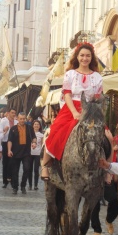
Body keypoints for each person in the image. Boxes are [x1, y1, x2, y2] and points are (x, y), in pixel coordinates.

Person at [41, 42, 103, 180]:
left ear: (92, 57)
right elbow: (67, 94)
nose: (85, 58)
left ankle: (107, 172)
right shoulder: (70, 74)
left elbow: (98, 98)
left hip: (90, 110)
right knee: (55, 132)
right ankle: (46, 165)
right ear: (77, 57)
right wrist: (75, 112)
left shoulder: (98, 77)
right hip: (71, 108)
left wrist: (92, 111)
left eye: (88, 56)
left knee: (107, 137)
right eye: (82, 55)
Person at [91, 127, 118, 235]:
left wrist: (110, 140)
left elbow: (110, 152)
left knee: (115, 203)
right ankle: (96, 228)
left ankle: (109, 220)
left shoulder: (105, 130)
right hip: (91, 174)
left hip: (104, 171)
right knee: (94, 203)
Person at [7, 112, 37, 195]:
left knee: (27, 169)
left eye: (24, 119)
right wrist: (9, 150)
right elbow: (10, 140)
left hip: (26, 153)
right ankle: (15, 187)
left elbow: (34, 138)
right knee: (15, 171)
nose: (22, 120)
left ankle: (23, 185)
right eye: (21, 119)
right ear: (18, 119)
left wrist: (34, 143)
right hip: (15, 153)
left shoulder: (29, 128)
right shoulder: (13, 129)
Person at [0, 108, 17, 188]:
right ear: (8, 113)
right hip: (5, 142)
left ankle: (13, 180)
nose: (13, 114)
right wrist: (4, 130)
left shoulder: (16, 122)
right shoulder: (3, 121)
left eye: (14, 113)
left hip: (14, 144)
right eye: (12, 113)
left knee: (13, 163)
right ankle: (5, 181)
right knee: (5, 162)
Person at [28, 120, 43, 191]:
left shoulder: (41, 135)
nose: (36, 125)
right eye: (35, 124)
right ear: (32, 125)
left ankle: (36, 185)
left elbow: (42, 145)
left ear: (39, 126)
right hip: (30, 153)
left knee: (36, 170)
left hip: (37, 153)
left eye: (37, 124)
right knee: (29, 169)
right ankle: (30, 184)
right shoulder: (29, 133)